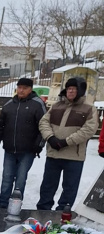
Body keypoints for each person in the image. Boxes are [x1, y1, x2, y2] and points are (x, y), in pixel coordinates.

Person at [36, 77, 98, 211]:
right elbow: (43, 122)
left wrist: (66, 142)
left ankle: (63, 212)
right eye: (69, 88)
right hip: (54, 153)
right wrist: (50, 138)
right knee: (48, 185)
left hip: (74, 157)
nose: (70, 91)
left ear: (80, 91)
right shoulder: (56, 106)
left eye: (74, 89)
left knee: (70, 187)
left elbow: (88, 130)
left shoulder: (89, 108)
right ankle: (43, 210)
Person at [0, 78, 47, 208]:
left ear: (30, 89)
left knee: (20, 179)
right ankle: (3, 204)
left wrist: (39, 145)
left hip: (28, 150)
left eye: (25, 88)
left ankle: (15, 205)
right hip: (10, 148)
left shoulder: (37, 104)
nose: (21, 90)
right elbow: (1, 126)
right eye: (19, 87)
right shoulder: (9, 105)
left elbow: (44, 126)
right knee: (7, 178)